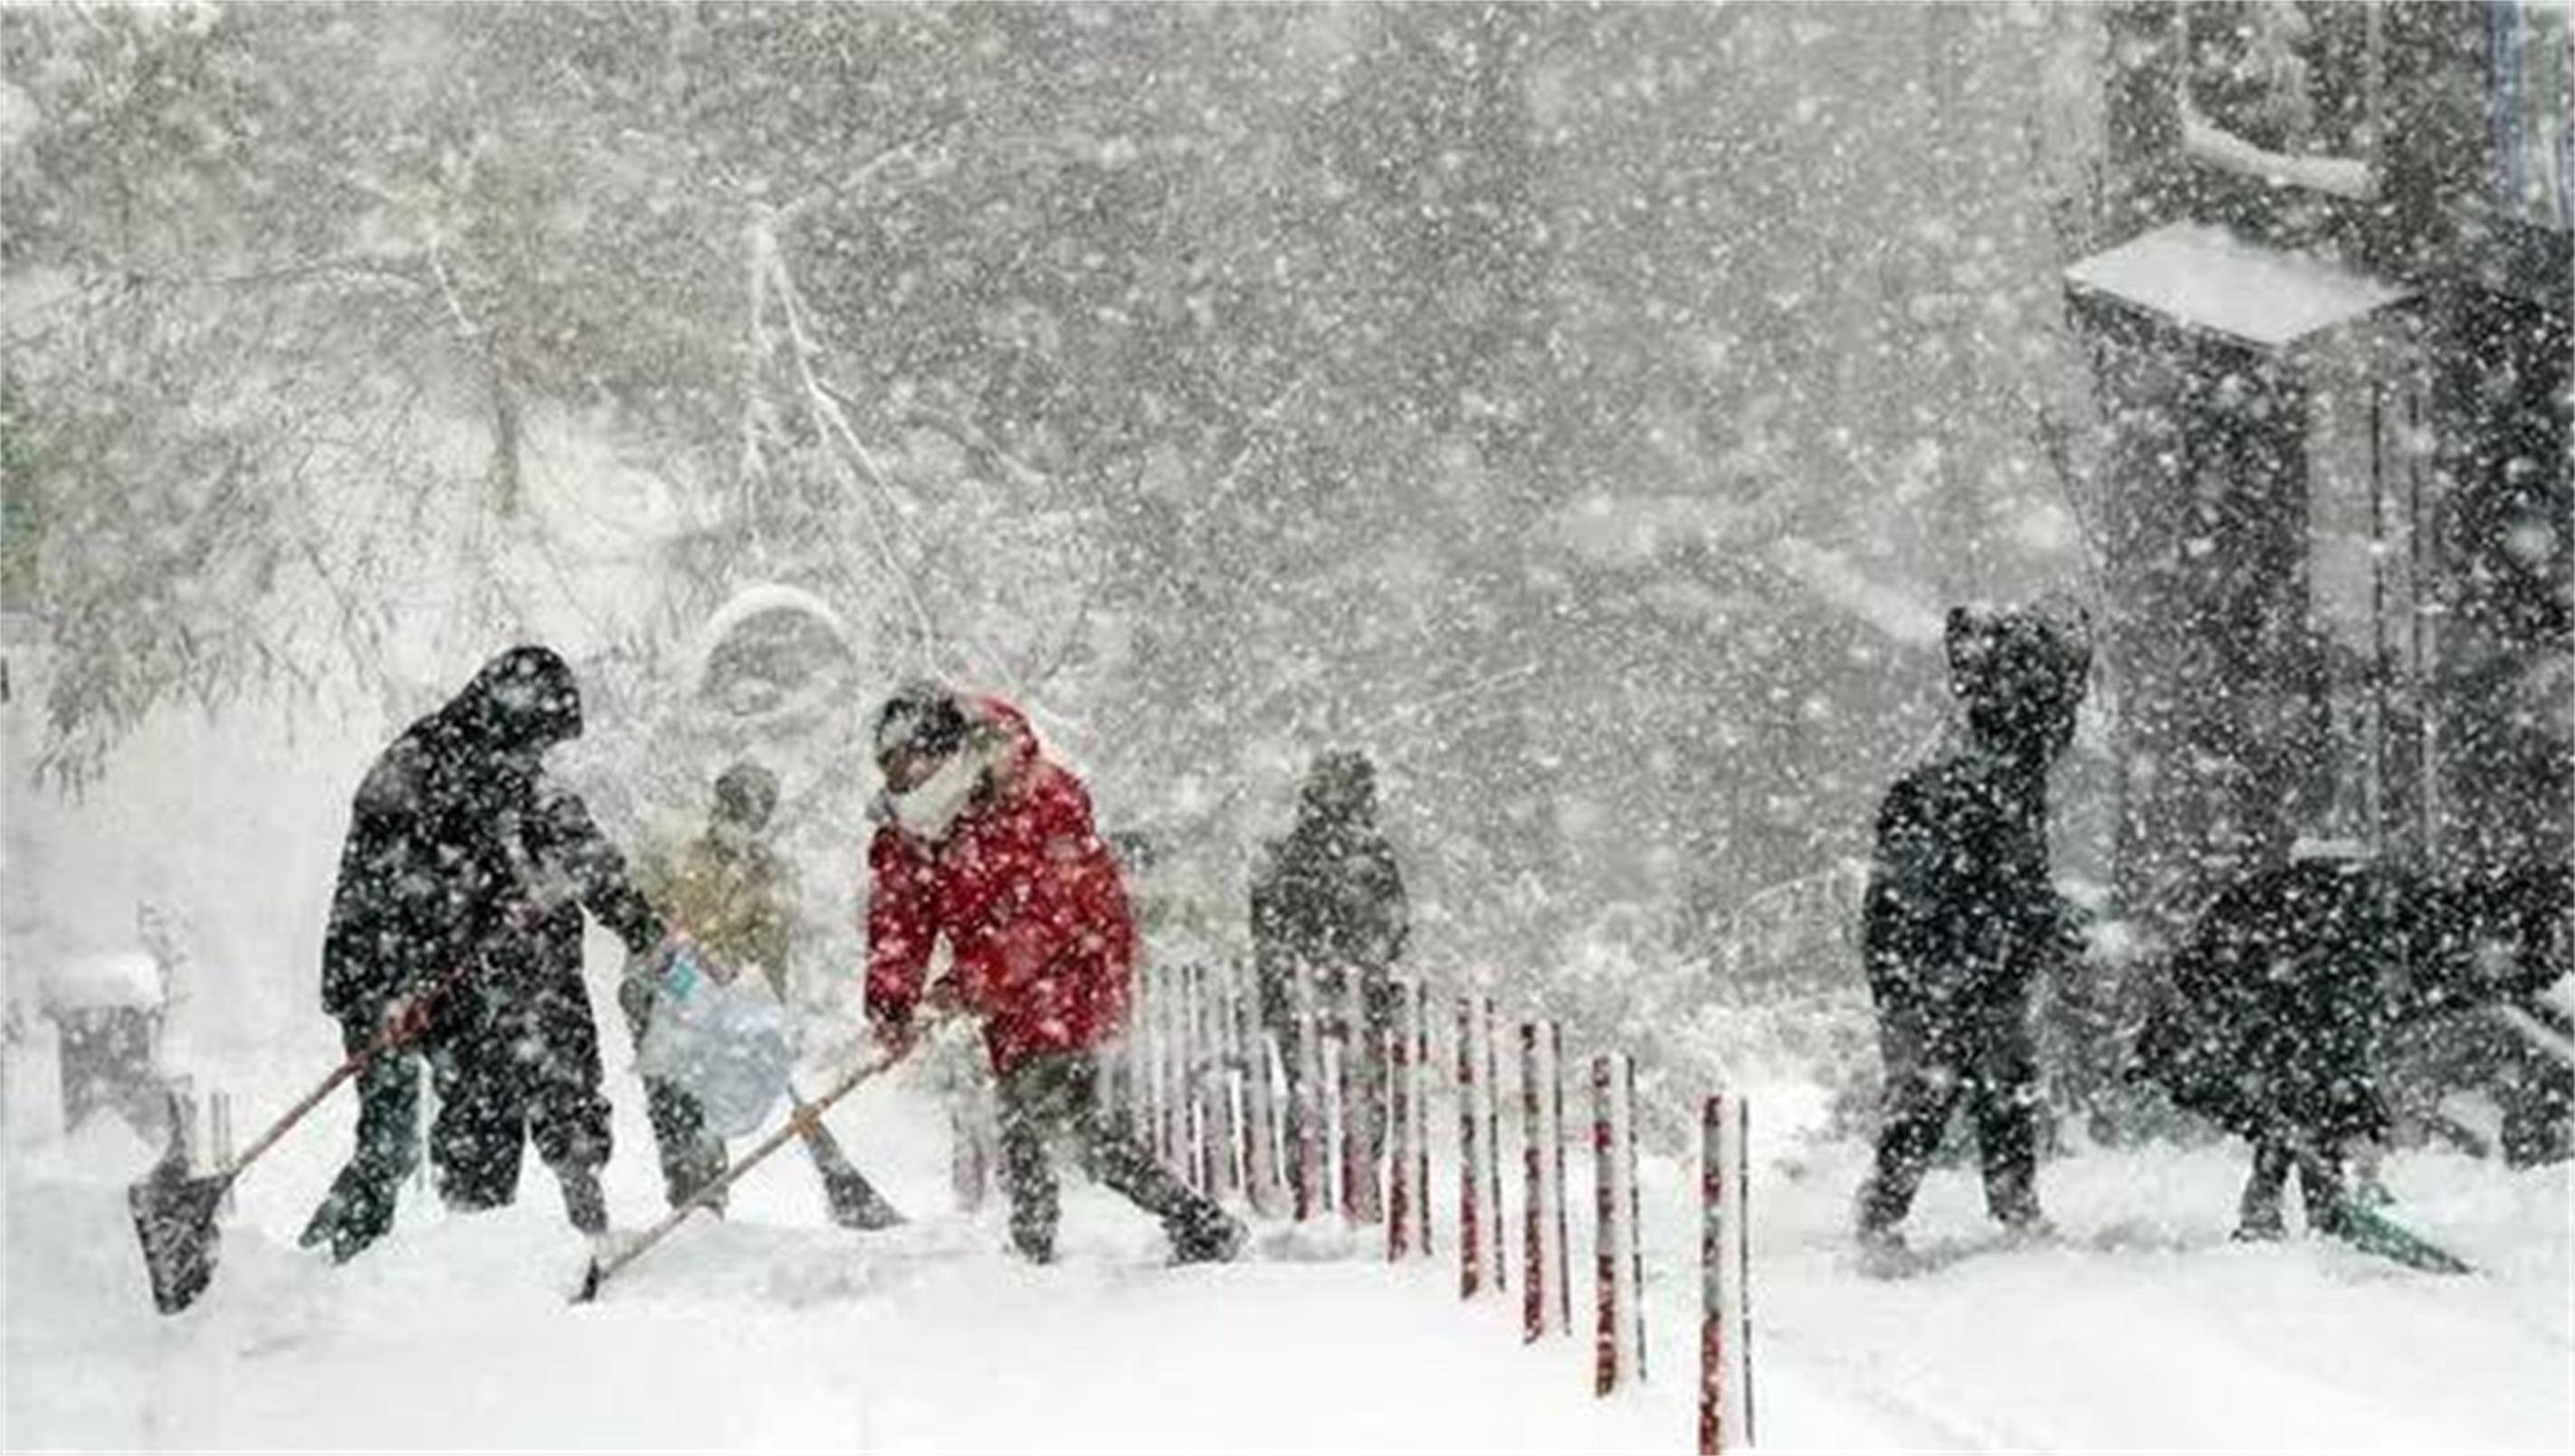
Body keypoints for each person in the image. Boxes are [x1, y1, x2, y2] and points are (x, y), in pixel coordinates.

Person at [300, 646, 666, 1261]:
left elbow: (587, 856)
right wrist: (400, 989)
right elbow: (383, 895)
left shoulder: (517, 780)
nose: (541, 755)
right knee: (389, 1143)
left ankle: (479, 1262)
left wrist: (645, 931)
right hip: (384, 980)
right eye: (539, 738)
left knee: (487, 1114)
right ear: (512, 715)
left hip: (463, 989)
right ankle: (319, 1268)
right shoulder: (416, 769)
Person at [861, 681, 1243, 1265]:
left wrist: (964, 985)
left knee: (1046, 1110)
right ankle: (1186, 1223)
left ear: (947, 750)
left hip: (1072, 972)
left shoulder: (1038, 796)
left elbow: (1053, 915)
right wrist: (891, 1006)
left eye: (911, 764)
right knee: (1061, 1120)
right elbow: (900, 917)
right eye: (891, 767)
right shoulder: (908, 827)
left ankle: (1044, 1248)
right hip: (999, 988)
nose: (902, 780)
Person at [2136, 856, 2572, 1239]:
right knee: (2303, 1091)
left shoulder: (2407, 931)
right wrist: (2361, 1127)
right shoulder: (2375, 934)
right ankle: (2302, 1211)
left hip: (2242, 999)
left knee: (2302, 1095)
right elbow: (2321, 1048)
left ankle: (2295, 1209)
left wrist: (2356, 1123)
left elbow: (2326, 1047)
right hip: (2217, 1011)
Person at [1854, 604, 2091, 1254]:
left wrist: (2032, 917)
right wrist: (2018, 919)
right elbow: (1962, 873)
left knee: (2000, 1074)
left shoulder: (2005, 760)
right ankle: (1884, 1217)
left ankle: (2007, 1207)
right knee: (1937, 1079)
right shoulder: (1979, 764)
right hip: (1934, 951)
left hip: (1961, 948)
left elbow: (2001, 870)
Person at [635, 761, 901, 1227]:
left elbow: (770, 958)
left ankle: (705, 1207)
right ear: (720, 801)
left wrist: (755, 1008)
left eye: (757, 811)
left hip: (721, 1008)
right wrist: (672, 954)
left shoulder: (769, 875)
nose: (745, 818)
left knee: (707, 1104)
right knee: (672, 1104)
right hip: (660, 1003)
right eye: (737, 805)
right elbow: (636, 915)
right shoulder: (678, 850)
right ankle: (687, 1197)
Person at [1248, 750, 1409, 1197]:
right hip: (1359, 990)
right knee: (1364, 1092)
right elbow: (1395, 922)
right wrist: (1371, 965)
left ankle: (1309, 1188)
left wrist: (1285, 975)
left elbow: (1264, 925)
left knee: (1306, 1092)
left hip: (1298, 989)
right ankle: (1363, 1184)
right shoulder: (1370, 853)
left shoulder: (1286, 851)